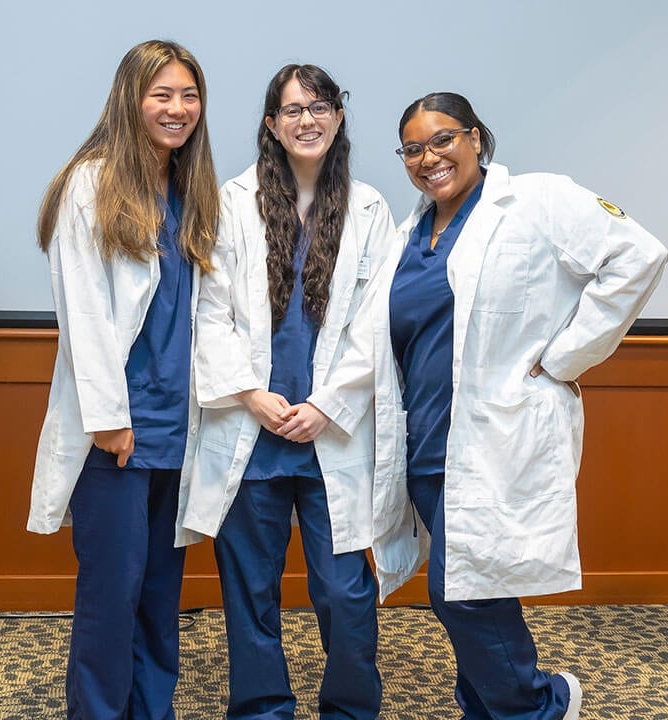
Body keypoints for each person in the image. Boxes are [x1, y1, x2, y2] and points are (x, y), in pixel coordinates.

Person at [367, 92, 668, 720]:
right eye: (413, 149)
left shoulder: (537, 200)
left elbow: (638, 257)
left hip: (495, 435)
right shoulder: (406, 234)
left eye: (443, 139)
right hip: (425, 438)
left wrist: (564, 358)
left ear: (476, 137)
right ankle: (496, 706)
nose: (429, 158)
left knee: (465, 594)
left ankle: (541, 704)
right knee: (465, 592)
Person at [175, 64, 398, 720]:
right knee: (250, 592)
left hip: (333, 431)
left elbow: (377, 321)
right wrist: (249, 393)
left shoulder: (368, 208)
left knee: (346, 594)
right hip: (253, 432)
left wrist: (327, 402)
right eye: (293, 109)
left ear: (338, 116)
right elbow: (207, 314)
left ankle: (351, 709)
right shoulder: (231, 200)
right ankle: (262, 709)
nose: (308, 119)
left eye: (320, 106)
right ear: (271, 124)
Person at [26, 40, 218, 720]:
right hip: (118, 431)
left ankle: (151, 710)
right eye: (161, 94)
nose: (177, 108)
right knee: (112, 594)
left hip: (178, 424)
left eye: (188, 95)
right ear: (129, 98)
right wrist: (108, 418)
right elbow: (84, 311)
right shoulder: (91, 182)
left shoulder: (190, 189)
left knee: (161, 594)